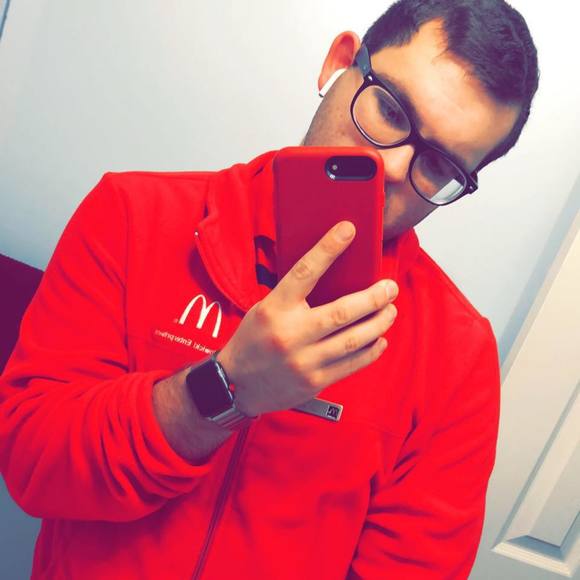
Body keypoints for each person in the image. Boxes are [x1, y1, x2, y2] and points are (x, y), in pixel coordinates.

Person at [0, 0, 538, 578]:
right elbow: (33, 463)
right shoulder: (131, 215)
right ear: (339, 63)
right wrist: (224, 389)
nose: (391, 168)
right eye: (388, 108)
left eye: (439, 166)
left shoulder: (456, 354)